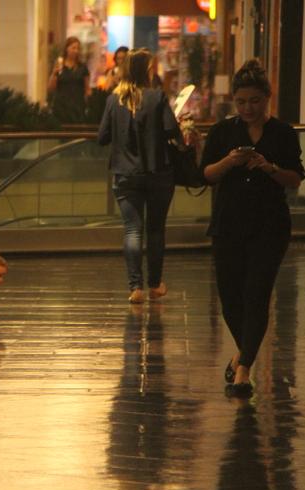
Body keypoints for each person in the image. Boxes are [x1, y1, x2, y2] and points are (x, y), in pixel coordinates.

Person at [201, 59, 305, 397]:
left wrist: (269, 167)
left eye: (255, 101)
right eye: (241, 101)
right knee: (231, 298)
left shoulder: (283, 134)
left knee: (257, 293)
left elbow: (295, 179)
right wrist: (230, 161)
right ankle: (242, 353)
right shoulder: (222, 132)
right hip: (228, 225)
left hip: (269, 226)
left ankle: (244, 368)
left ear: (267, 98)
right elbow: (206, 174)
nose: (248, 108)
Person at [98, 48, 187, 304]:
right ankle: (155, 284)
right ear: (146, 71)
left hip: (125, 174)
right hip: (158, 171)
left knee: (132, 230)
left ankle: (135, 287)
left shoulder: (114, 100)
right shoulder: (156, 97)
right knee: (156, 229)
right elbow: (171, 130)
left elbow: (102, 137)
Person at [47, 36, 91, 123]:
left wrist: (89, 103)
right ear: (67, 49)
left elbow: (87, 89)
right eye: (73, 48)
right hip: (61, 105)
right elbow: (51, 88)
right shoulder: (59, 65)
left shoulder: (82, 67)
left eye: (78, 48)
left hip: (78, 104)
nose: (76, 51)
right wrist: (54, 73)